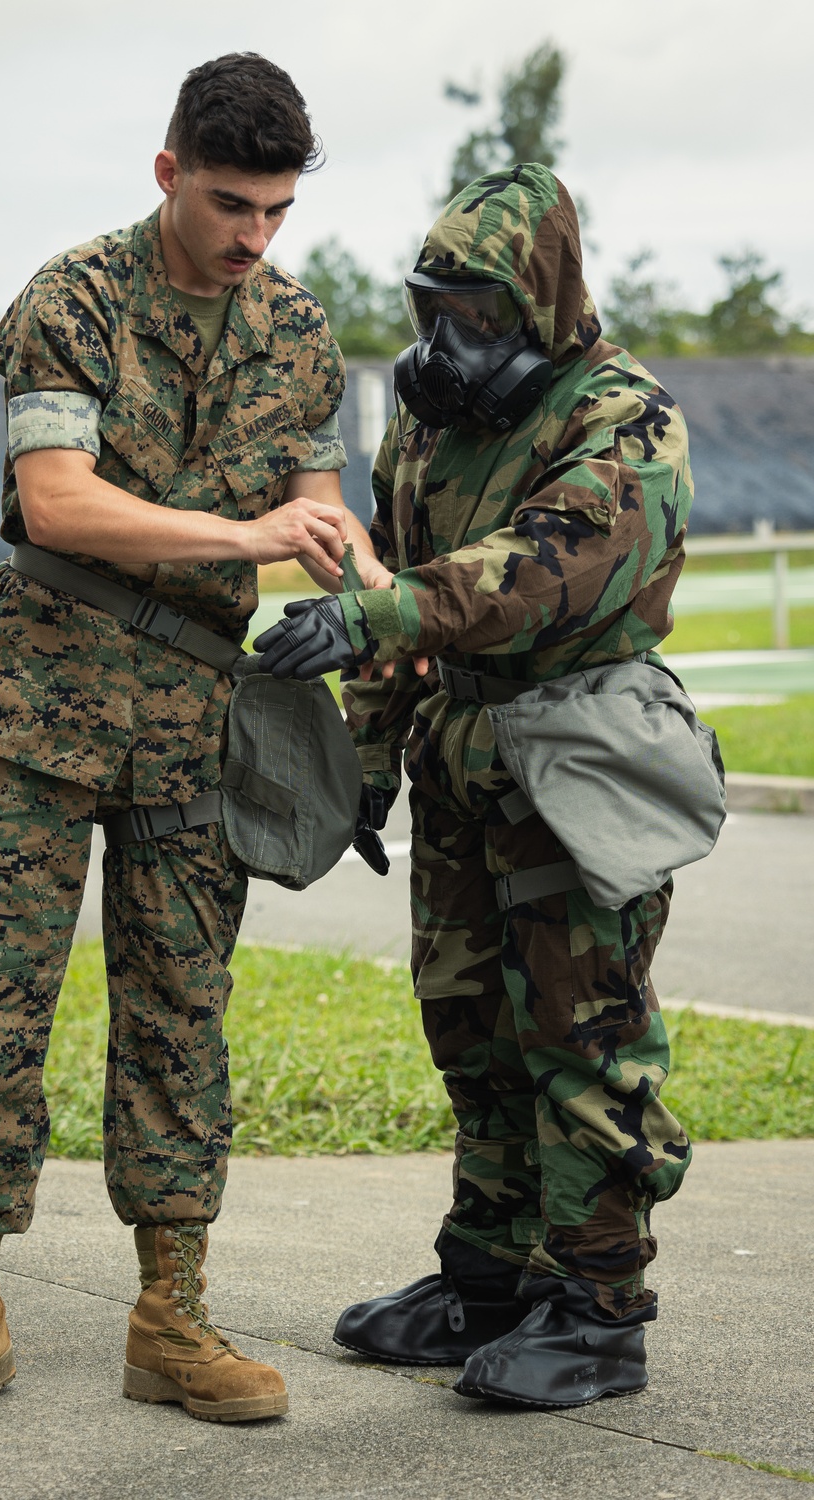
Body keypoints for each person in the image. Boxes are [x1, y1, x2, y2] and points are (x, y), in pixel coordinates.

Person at [0, 52, 388, 1429]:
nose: (252, 237)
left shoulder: (296, 329)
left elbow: (319, 512)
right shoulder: (74, 300)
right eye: (230, 203)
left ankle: (172, 1317)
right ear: (169, 172)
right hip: (33, 714)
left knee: (181, 1016)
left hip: (189, 732)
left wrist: (368, 596)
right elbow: (57, 504)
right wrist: (244, 538)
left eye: (276, 211)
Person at [254, 163, 695, 1409]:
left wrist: (380, 609)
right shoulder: (432, 421)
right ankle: (490, 1282)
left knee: (582, 1041)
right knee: (474, 1034)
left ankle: (600, 1308)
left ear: (543, 304)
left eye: (481, 315)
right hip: (465, 763)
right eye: (431, 307)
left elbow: (540, 569)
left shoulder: (624, 419)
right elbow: (401, 586)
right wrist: (366, 762)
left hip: (579, 761)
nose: (447, 341)